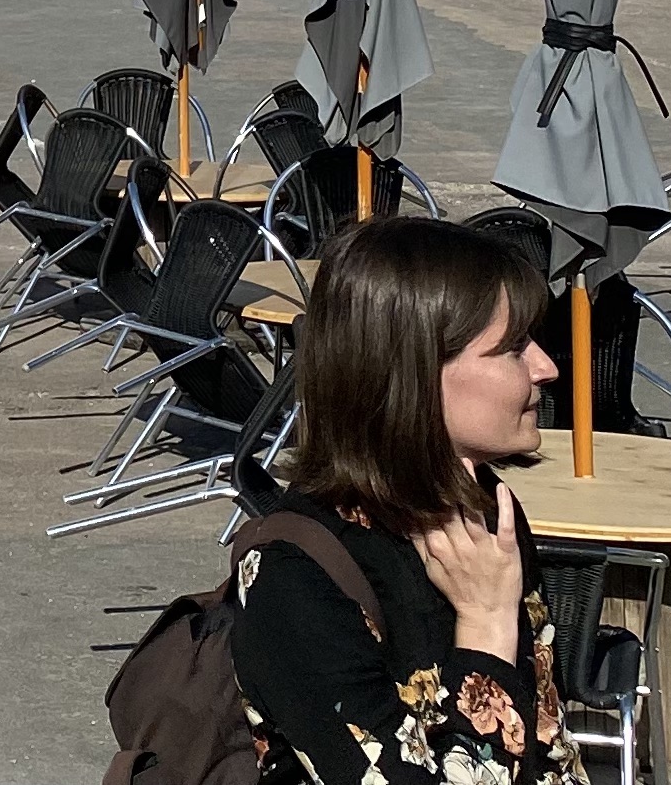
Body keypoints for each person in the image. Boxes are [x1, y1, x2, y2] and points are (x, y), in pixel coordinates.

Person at [230, 216, 577, 783]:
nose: (546, 367)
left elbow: (547, 745)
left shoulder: (482, 510)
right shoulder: (294, 575)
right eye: (514, 348)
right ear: (410, 373)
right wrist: (486, 623)